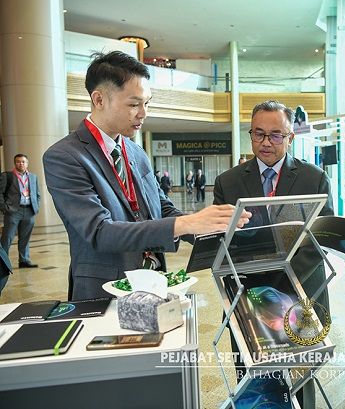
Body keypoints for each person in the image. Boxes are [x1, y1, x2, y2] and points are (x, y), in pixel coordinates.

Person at [43, 51, 250, 301]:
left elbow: (161, 208)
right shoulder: (65, 156)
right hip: (105, 290)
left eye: (147, 103)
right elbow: (100, 231)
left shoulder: (135, 152)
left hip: (154, 282)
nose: (143, 113)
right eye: (134, 104)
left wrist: (209, 231)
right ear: (99, 99)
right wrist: (187, 223)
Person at [213, 100, 333, 409]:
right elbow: (223, 240)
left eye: (276, 135)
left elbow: (320, 236)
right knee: (252, 377)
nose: (266, 142)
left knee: (302, 374)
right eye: (259, 133)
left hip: (299, 290)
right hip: (248, 294)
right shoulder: (228, 182)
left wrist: (283, 278)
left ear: (290, 137)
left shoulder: (313, 178)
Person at [0, 154, 40, 268]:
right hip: (13, 211)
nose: (21, 163)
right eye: (18, 161)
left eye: (23, 161)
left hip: (29, 211)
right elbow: (0, 193)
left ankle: (24, 260)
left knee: (25, 237)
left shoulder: (33, 177)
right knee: (7, 237)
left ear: (27, 163)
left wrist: (36, 207)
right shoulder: (7, 176)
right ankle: (3, 262)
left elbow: (37, 194)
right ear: (15, 163)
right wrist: (4, 207)